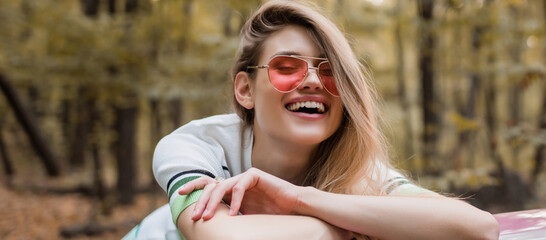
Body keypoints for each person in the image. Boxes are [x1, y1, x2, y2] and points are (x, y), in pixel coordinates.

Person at [123, 0, 499, 239]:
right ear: (245, 90)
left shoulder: (357, 170)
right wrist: (354, 227)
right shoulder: (195, 146)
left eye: (330, 71)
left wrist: (302, 200)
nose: (314, 81)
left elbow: (477, 228)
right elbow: (225, 238)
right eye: (287, 67)